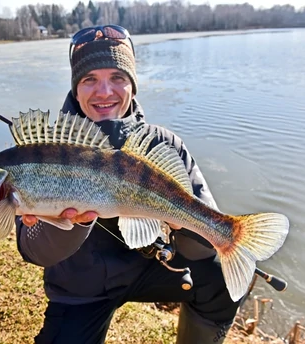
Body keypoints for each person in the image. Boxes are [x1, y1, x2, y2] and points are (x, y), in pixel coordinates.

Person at [15, 25, 241, 344]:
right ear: (75, 88)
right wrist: (69, 220)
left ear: (133, 86)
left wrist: (178, 220)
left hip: (148, 271)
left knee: (220, 280)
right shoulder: (46, 150)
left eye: (117, 78)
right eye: (89, 79)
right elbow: (33, 250)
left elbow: (201, 251)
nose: (104, 92)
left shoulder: (163, 146)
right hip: (79, 286)